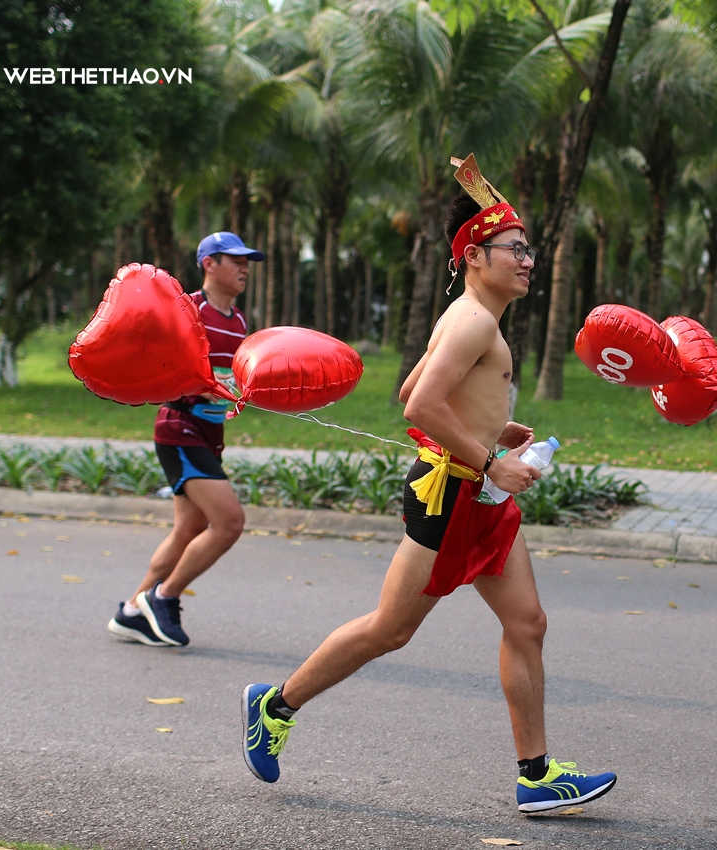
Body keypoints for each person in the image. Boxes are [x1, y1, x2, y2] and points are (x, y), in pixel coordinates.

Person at [241, 155, 617, 814]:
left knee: (527, 623)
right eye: (516, 250)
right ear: (475, 255)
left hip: (480, 494)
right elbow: (418, 409)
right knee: (390, 630)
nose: (529, 260)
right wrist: (488, 456)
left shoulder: (472, 317)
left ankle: (536, 775)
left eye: (530, 250)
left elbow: (415, 388)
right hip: (451, 497)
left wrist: (489, 432)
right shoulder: (473, 320)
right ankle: (273, 706)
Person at [107, 232, 264, 647]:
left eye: (248, 261)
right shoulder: (187, 309)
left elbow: (230, 375)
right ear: (209, 263)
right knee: (229, 522)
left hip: (211, 433)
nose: (245, 267)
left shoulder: (240, 321)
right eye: (236, 260)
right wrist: (197, 388)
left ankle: (132, 610)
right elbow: (156, 366)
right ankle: (164, 597)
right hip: (179, 427)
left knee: (189, 528)